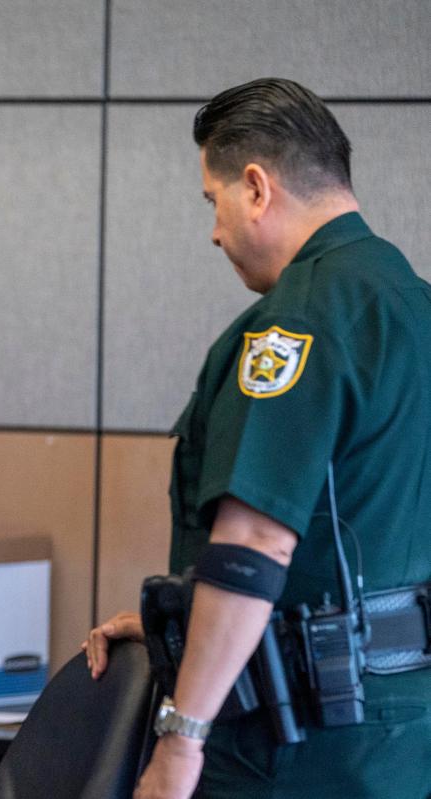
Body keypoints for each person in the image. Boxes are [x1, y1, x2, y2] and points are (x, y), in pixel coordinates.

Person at [84, 78, 431, 799]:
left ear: (256, 187)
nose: (214, 231)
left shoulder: (294, 322)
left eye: (212, 202)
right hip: (402, 730)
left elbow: (253, 551)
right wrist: (179, 620)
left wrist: (181, 743)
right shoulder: (413, 304)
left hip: (295, 742)